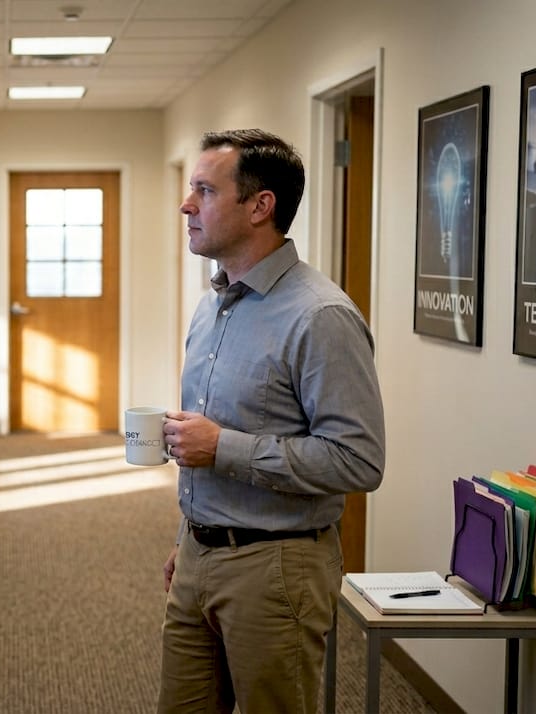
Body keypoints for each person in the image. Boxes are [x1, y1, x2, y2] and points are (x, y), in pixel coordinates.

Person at [158, 129, 386, 714]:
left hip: (276, 567)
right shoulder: (212, 305)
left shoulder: (321, 316)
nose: (186, 205)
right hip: (198, 554)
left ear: (260, 206)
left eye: (205, 191)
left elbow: (358, 460)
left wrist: (223, 448)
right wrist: (190, 535)